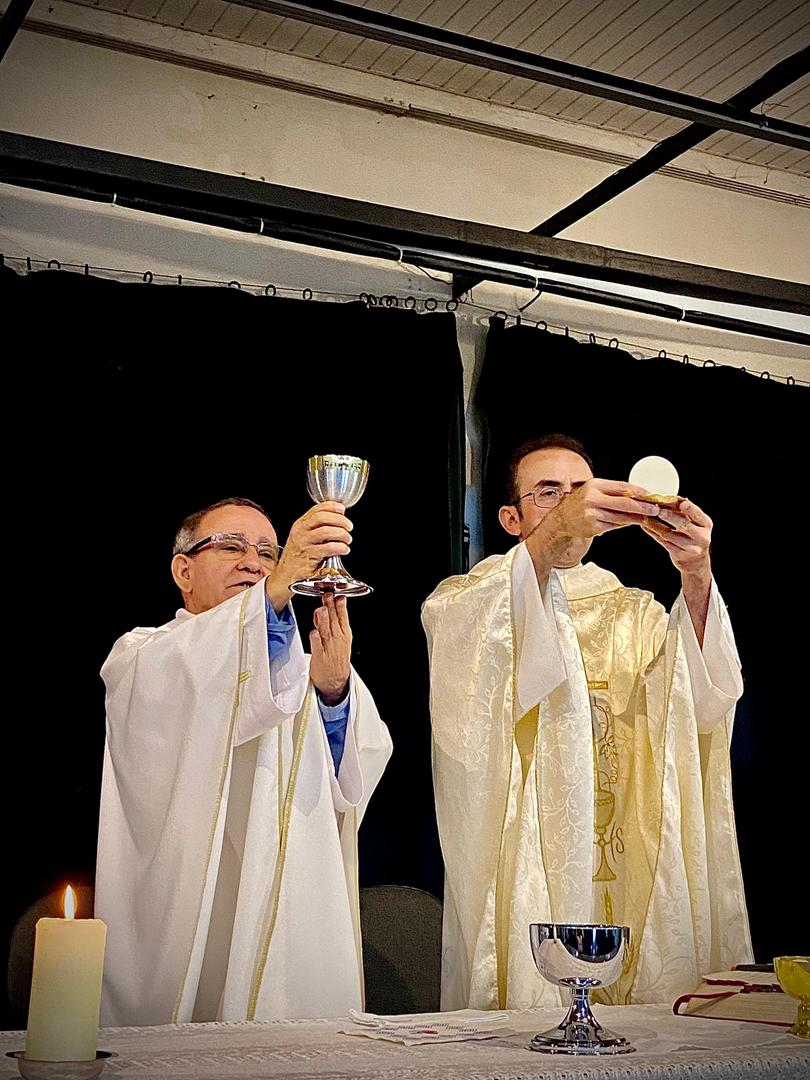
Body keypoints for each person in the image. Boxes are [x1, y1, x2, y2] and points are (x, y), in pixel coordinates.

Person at [422, 435, 752, 1011]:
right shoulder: (469, 599)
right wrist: (554, 533)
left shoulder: (634, 611)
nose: (571, 503)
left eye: (581, 490)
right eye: (549, 493)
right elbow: (470, 716)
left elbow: (703, 705)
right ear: (510, 518)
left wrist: (696, 573)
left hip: (630, 852)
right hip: (532, 856)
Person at [96, 496, 392, 1026]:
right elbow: (197, 679)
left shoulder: (306, 665)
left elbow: (352, 781)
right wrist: (277, 588)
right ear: (183, 570)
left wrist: (332, 696)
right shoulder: (141, 655)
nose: (254, 563)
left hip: (292, 904)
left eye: (268, 552)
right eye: (231, 547)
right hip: (191, 911)